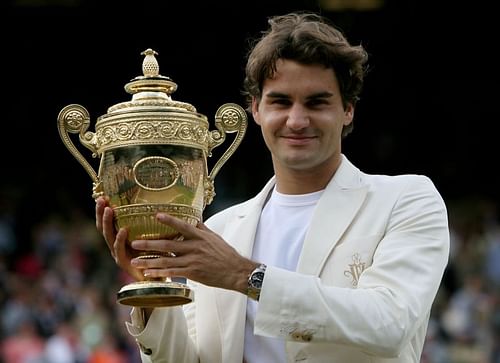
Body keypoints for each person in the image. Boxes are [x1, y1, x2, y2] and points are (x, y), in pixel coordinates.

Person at [95, 11, 450, 363]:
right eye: (281, 101)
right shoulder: (219, 232)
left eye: (317, 102)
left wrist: (244, 276)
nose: (297, 120)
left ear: (348, 110)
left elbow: (390, 324)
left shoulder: (406, 199)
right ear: (256, 109)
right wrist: (151, 288)